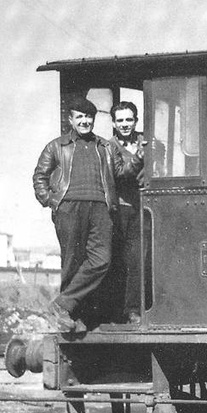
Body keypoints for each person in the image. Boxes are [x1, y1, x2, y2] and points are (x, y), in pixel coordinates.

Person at [33, 96, 143, 331]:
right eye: (79, 117)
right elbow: (39, 177)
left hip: (101, 208)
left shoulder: (105, 146)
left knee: (101, 260)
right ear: (71, 120)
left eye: (89, 117)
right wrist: (52, 202)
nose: (85, 121)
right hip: (69, 208)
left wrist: (138, 159)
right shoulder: (56, 146)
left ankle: (62, 304)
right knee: (73, 261)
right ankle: (71, 315)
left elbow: (121, 173)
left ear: (94, 120)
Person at [106, 102, 146, 324]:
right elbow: (120, 174)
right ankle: (117, 311)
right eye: (120, 120)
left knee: (138, 259)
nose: (124, 124)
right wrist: (140, 158)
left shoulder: (145, 141)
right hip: (121, 209)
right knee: (119, 261)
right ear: (113, 123)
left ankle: (133, 310)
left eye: (128, 120)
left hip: (143, 206)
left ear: (136, 121)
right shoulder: (109, 147)